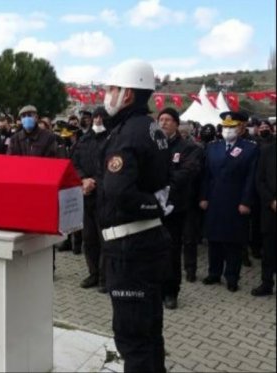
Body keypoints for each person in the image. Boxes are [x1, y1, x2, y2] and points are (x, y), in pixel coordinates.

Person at [97, 60, 171, 372]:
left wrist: (152, 206)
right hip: (150, 242)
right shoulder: (153, 128)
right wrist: (157, 205)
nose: (107, 95)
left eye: (112, 89)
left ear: (127, 94)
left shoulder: (128, 133)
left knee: (132, 338)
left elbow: (119, 192)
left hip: (130, 250)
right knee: (150, 331)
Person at [200, 111, 259, 292]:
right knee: (214, 239)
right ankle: (214, 273)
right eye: (225, 126)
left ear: (241, 128)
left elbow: (251, 178)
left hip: (236, 201)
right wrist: (203, 197)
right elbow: (206, 175)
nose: (228, 130)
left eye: (232, 127)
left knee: (233, 242)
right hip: (215, 199)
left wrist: (246, 201)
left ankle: (232, 276)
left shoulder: (250, 148)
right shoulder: (212, 147)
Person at [157, 108, 203, 310]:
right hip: (152, 206)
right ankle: (155, 288)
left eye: (168, 120)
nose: (163, 123)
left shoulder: (188, 148)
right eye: (160, 119)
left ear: (176, 123)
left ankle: (170, 292)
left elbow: (187, 172)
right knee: (153, 250)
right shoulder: (153, 145)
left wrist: (160, 181)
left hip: (175, 208)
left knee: (171, 252)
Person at [8, 105, 59, 276]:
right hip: (22, 191)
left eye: (30, 115)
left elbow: (52, 163)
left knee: (44, 230)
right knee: (22, 229)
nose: (27, 118)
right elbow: (10, 163)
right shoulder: (15, 139)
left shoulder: (48, 138)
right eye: (23, 116)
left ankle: (48, 266)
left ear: (37, 117)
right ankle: (23, 263)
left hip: (42, 191)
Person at [71, 106, 109, 293]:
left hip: (104, 197)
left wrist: (95, 182)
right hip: (86, 196)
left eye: (101, 117)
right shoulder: (83, 140)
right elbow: (74, 163)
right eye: (95, 117)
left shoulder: (112, 140)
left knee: (105, 240)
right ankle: (93, 273)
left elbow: (113, 168)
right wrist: (83, 179)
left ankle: (104, 278)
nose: (98, 120)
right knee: (89, 239)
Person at [252, 140, 276, 296]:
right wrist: (271, 201)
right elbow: (259, 180)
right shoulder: (267, 150)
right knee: (269, 250)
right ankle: (267, 283)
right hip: (271, 209)